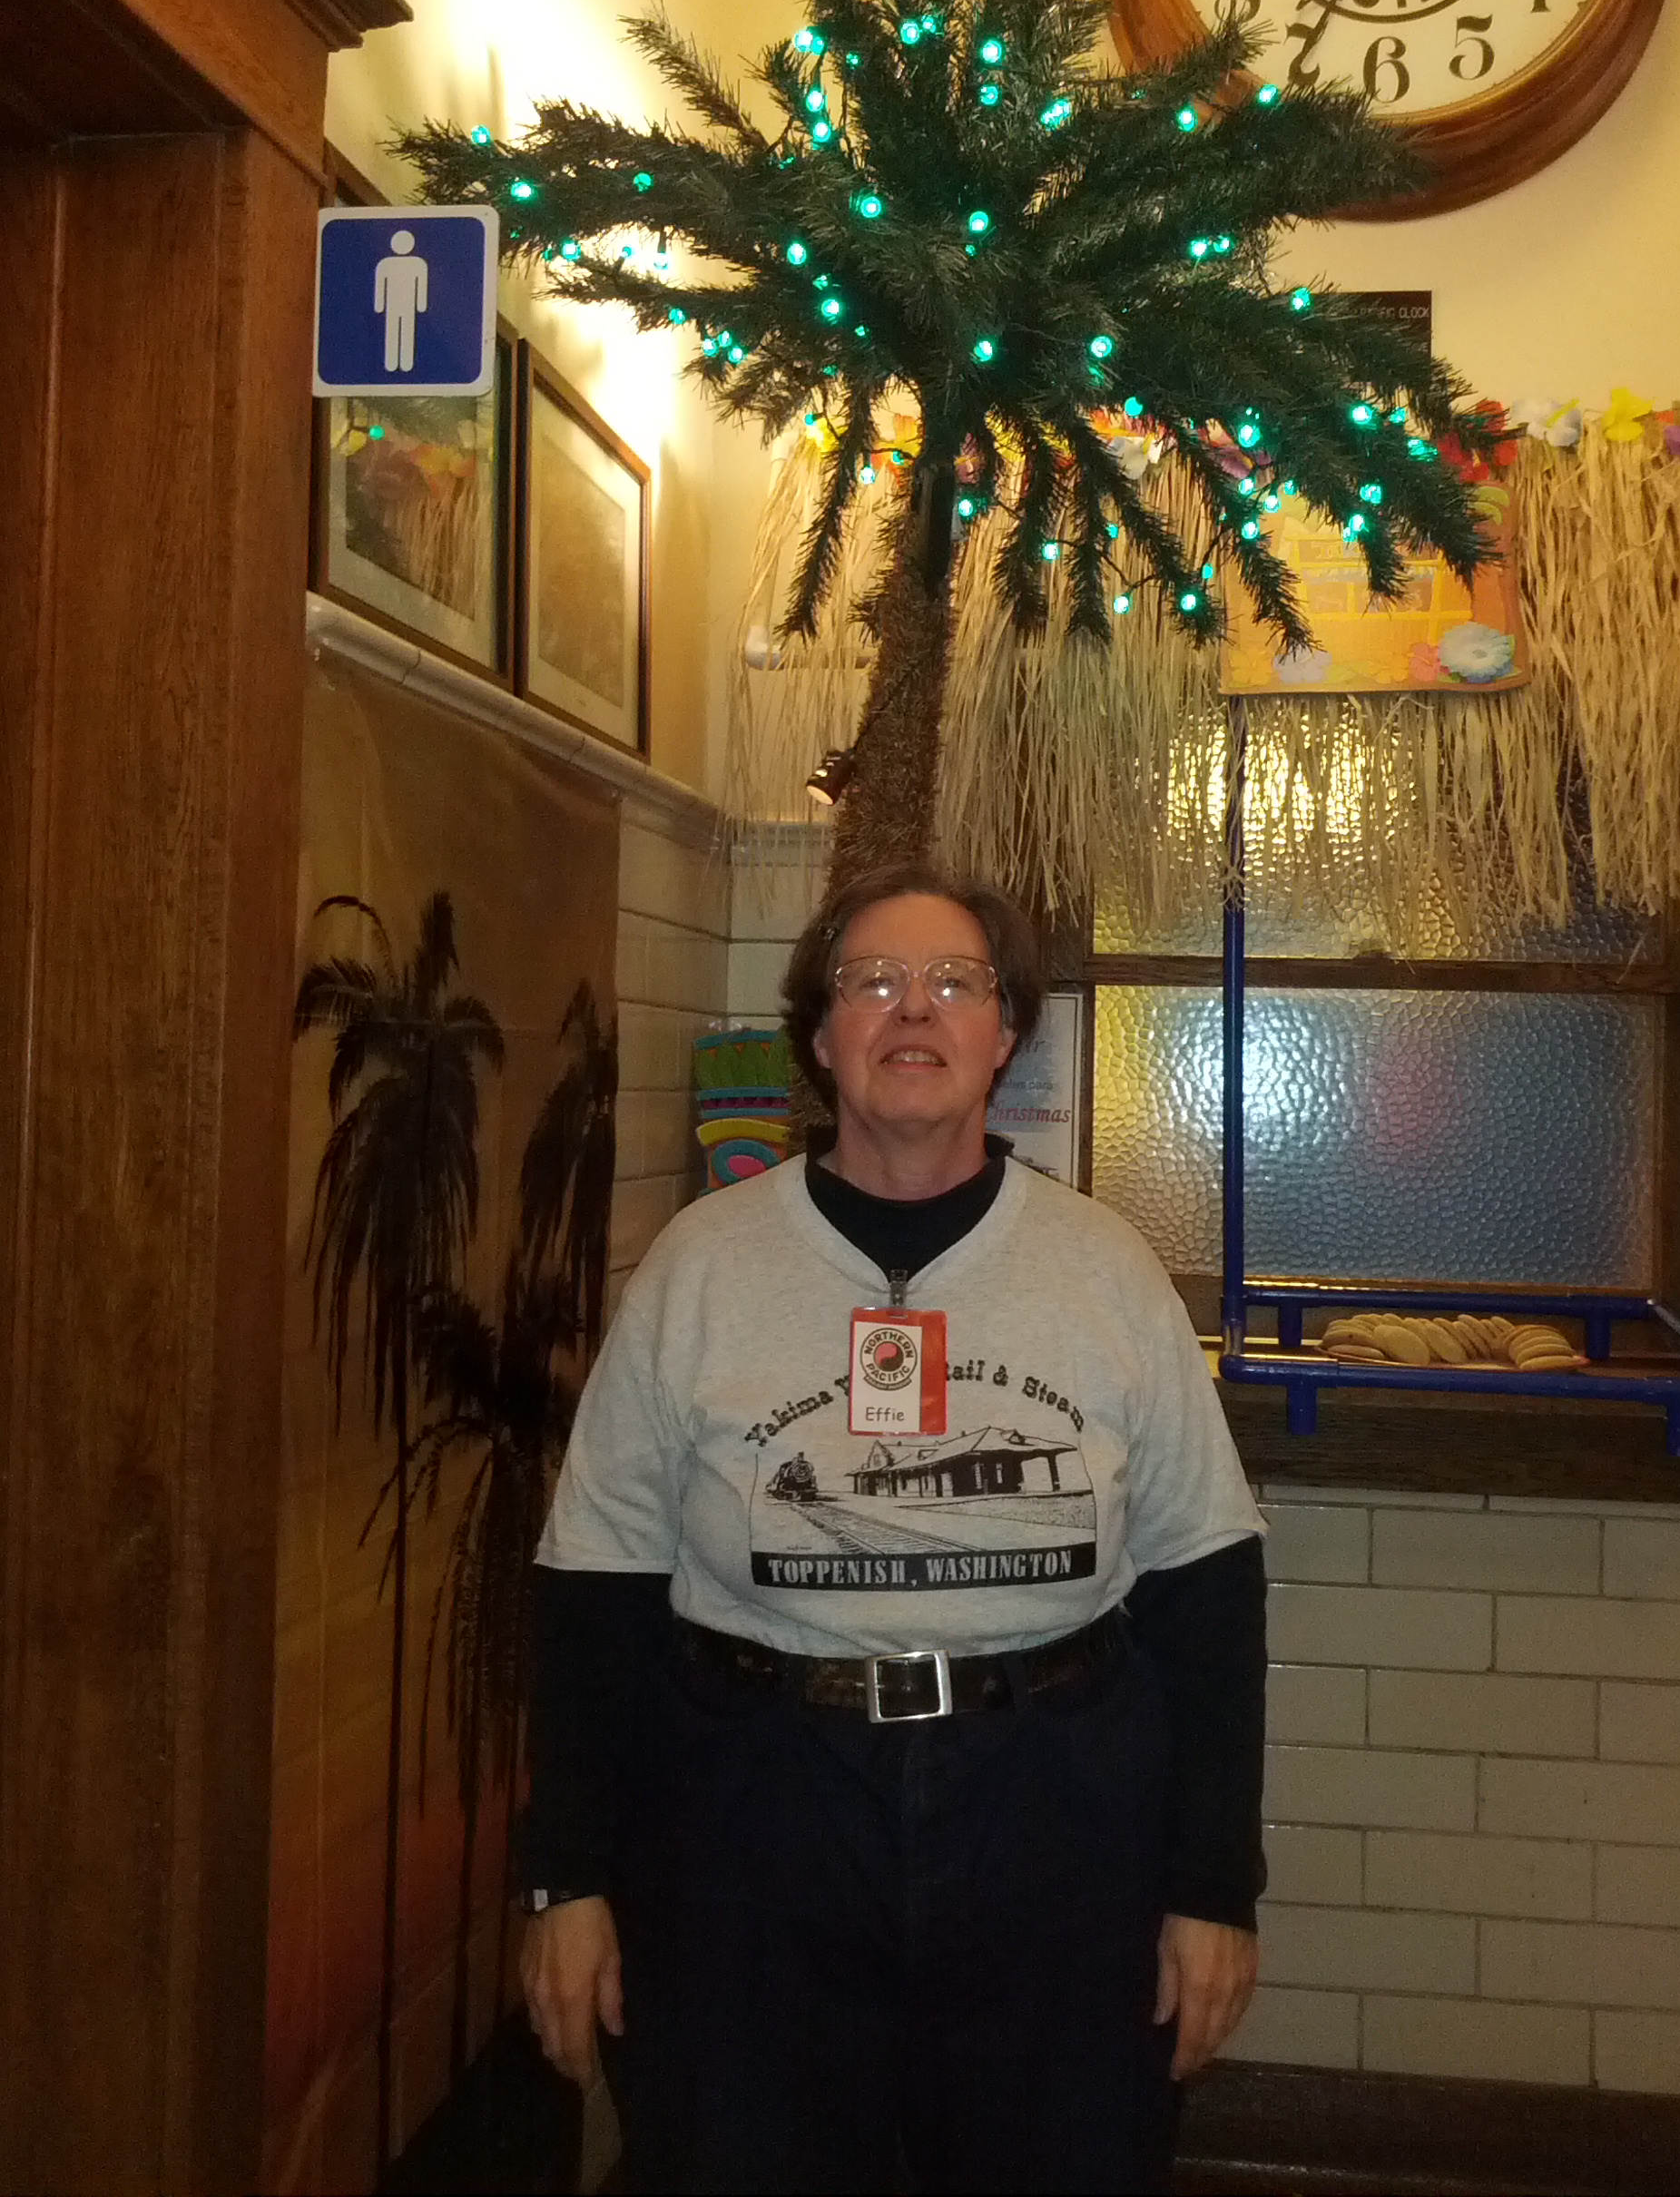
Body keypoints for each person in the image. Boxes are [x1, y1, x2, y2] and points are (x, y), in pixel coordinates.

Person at [520, 862, 1267, 2195]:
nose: (912, 1010)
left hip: (1056, 1815)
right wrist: (564, 1877)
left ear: (1004, 1033)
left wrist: (1215, 1885)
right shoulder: (701, 1264)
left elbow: (1209, 1592)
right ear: (820, 1036)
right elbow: (595, 1587)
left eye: (953, 984)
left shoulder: (1107, 1270)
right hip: (752, 1817)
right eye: (871, 982)